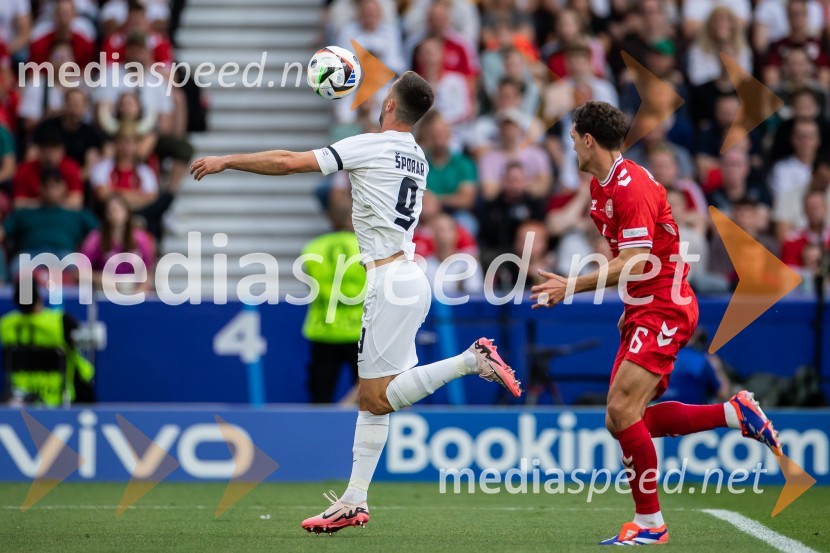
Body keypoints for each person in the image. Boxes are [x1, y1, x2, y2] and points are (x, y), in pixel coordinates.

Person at [190, 71, 522, 534]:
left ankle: (470, 360)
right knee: (375, 401)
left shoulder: (374, 144)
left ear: (389, 105)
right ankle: (354, 500)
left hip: (389, 279)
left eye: (383, 98)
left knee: (375, 397)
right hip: (410, 274)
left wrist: (228, 160)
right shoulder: (418, 156)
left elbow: (289, 162)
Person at [529, 101, 782, 546]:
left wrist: (570, 286)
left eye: (572, 137)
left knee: (623, 411)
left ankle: (651, 525)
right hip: (646, 305)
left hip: (665, 304)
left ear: (589, 139)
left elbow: (636, 260)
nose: (570, 145)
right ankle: (732, 412)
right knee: (625, 418)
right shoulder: (601, 186)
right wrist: (630, 302)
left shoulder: (632, 187)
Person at [300, 196, 365, 404]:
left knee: (320, 396)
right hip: (359, 330)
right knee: (368, 396)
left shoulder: (312, 248)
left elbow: (307, 283)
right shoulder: (366, 248)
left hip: (323, 330)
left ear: (329, 218)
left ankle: (319, 435)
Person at [0, 278, 95, 406]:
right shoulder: (61, 321)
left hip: (21, 395)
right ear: (39, 297)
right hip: (60, 395)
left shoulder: (6, 324)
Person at [79, 193, 156, 290]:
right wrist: (101, 278)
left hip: (131, 291)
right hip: (104, 292)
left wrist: (138, 294)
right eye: (110, 211)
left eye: (118, 210)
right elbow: (79, 272)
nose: (115, 214)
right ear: (105, 215)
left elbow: (148, 273)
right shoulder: (95, 239)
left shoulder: (141, 239)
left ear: (127, 212)